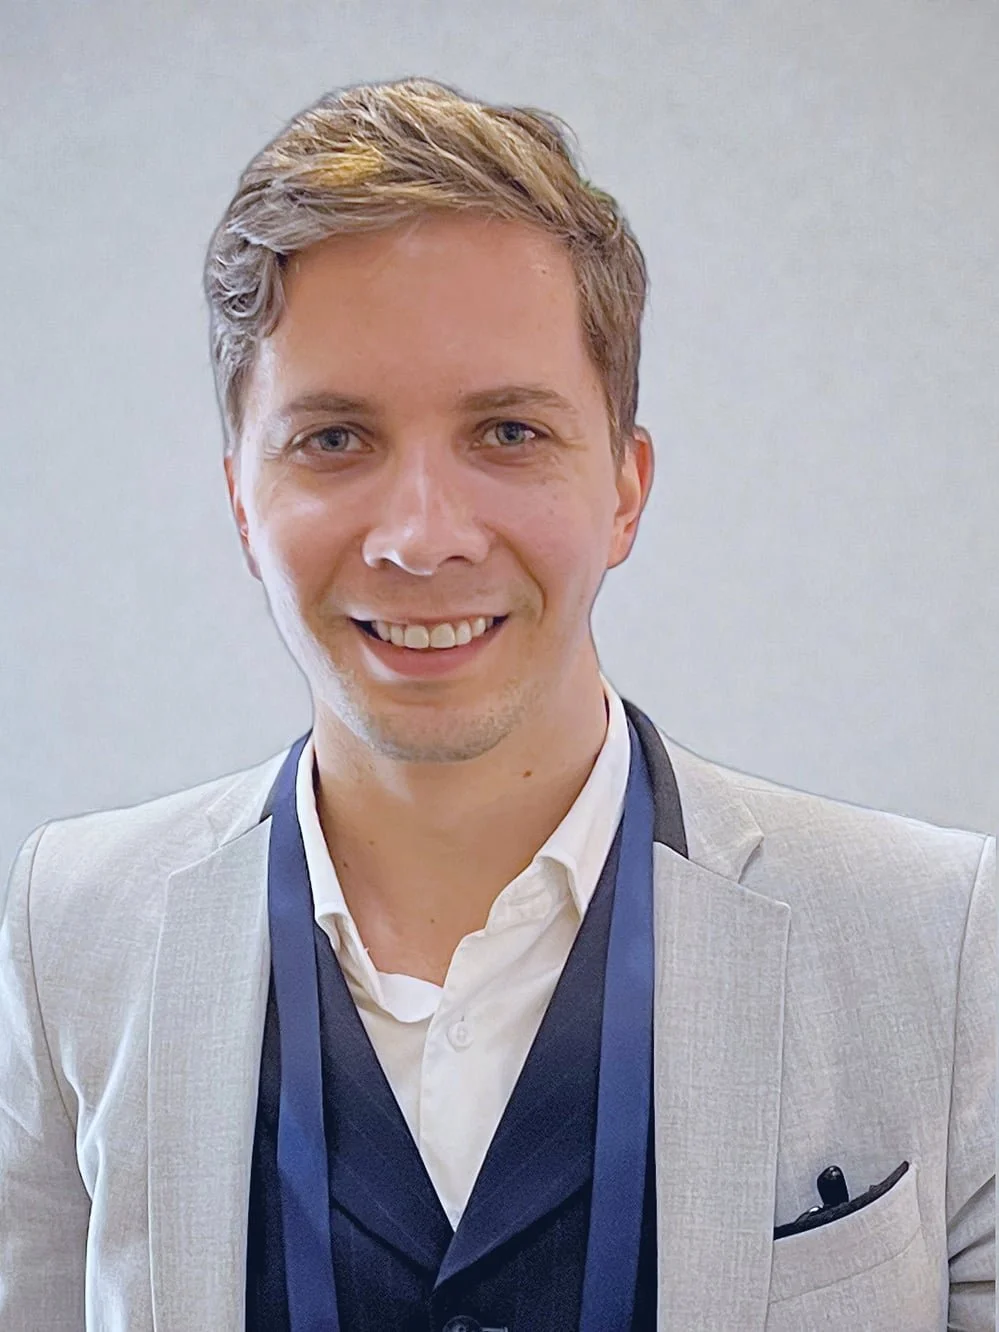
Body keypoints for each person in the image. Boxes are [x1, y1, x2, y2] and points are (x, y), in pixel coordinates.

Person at [0, 77, 993, 1332]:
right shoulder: (72, 936)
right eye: (335, 439)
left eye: (510, 433)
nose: (422, 538)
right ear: (242, 500)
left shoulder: (938, 940)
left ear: (627, 490)